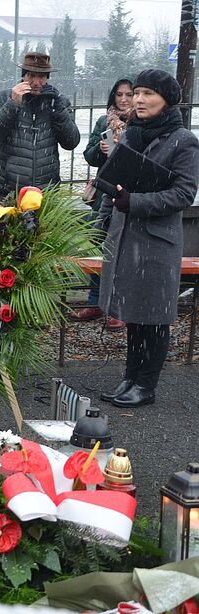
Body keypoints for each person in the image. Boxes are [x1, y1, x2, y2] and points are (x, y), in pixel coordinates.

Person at [98, 69, 199, 408]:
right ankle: (130, 378)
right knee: (134, 314)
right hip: (126, 237)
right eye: (136, 93)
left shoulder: (183, 140)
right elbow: (113, 179)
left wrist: (135, 202)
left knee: (153, 317)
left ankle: (145, 385)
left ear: (166, 100)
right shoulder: (131, 135)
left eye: (147, 94)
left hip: (156, 242)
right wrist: (105, 216)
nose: (138, 100)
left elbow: (183, 194)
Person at [70, 78, 133, 331]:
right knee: (98, 245)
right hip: (104, 192)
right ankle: (95, 302)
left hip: (129, 191)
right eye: (119, 94)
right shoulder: (104, 121)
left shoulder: (140, 122)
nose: (124, 99)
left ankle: (119, 307)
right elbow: (90, 156)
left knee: (124, 250)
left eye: (129, 94)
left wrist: (123, 149)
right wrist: (101, 147)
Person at [0, 51, 81, 202]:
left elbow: (71, 142)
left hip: (46, 192)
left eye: (41, 77)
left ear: (47, 78)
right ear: (23, 76)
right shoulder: (4, 98)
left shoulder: (58, 102)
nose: (36, 82)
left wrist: (58, 109)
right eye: (31, 76)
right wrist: (12, 104)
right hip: (10, 191)